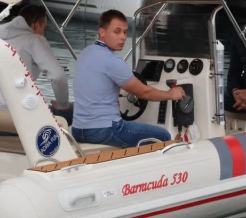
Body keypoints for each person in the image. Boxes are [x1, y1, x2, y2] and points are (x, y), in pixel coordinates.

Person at [72, 9, 186, 148]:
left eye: (125, 32)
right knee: (163, 136)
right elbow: (144, 92)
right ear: (102, 32)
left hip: (78, 130)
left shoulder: (86, 52)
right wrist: (170, 94)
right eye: (117, 31)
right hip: (104, 130)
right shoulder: (112, 61)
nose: (123, 37)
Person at [0, 4, 73, 125]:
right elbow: (58, 76)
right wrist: (62, 105)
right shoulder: (34, 39)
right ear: (36, 25)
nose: (43, 33)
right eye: (44, 28)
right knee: (75, 110)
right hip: (21, 124)